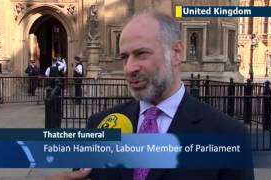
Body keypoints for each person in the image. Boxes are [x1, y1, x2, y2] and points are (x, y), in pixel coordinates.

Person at [46, 11, 254, 180]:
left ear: (176, 53)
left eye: (141, 54)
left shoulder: (227, 134)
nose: (128, 68)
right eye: (124, 57)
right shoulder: (99, 124)